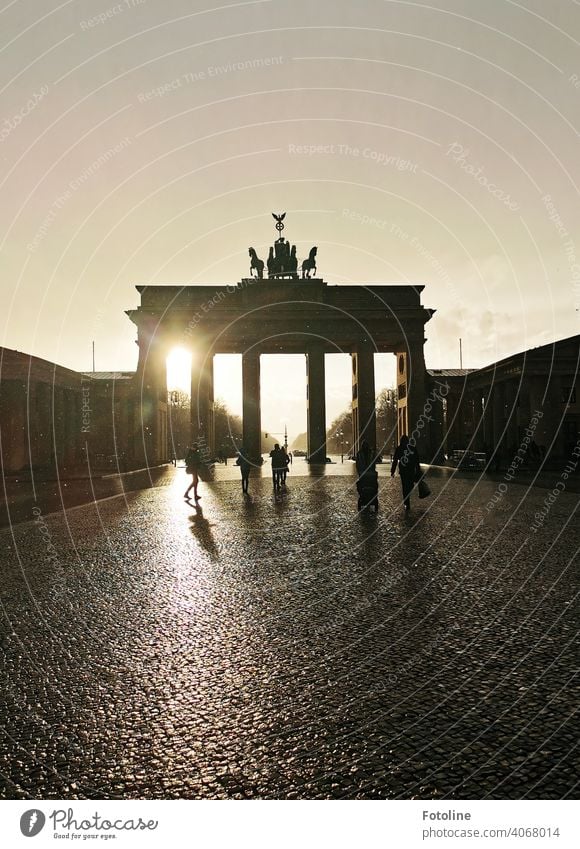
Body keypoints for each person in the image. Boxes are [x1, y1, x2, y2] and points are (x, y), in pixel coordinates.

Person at [391, 434, 421, 512]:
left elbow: (395, 461)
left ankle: (406, 500)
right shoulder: (411, 448)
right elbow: (417, 460)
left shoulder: (400, 448)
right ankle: (407, 502)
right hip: (409, 470)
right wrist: (418, 470)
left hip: (405, 470)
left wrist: (393, 471)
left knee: (406, 486)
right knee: (408, 485)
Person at [355, 440, 379, 511]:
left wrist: (359, 472)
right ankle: (372, 495)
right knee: (373, 485)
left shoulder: (359, 453)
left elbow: (358, 464)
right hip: (370, 473)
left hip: (364, 473)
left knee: (361, 485)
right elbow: (374, 462)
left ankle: (363, 495)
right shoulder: (371, 453)